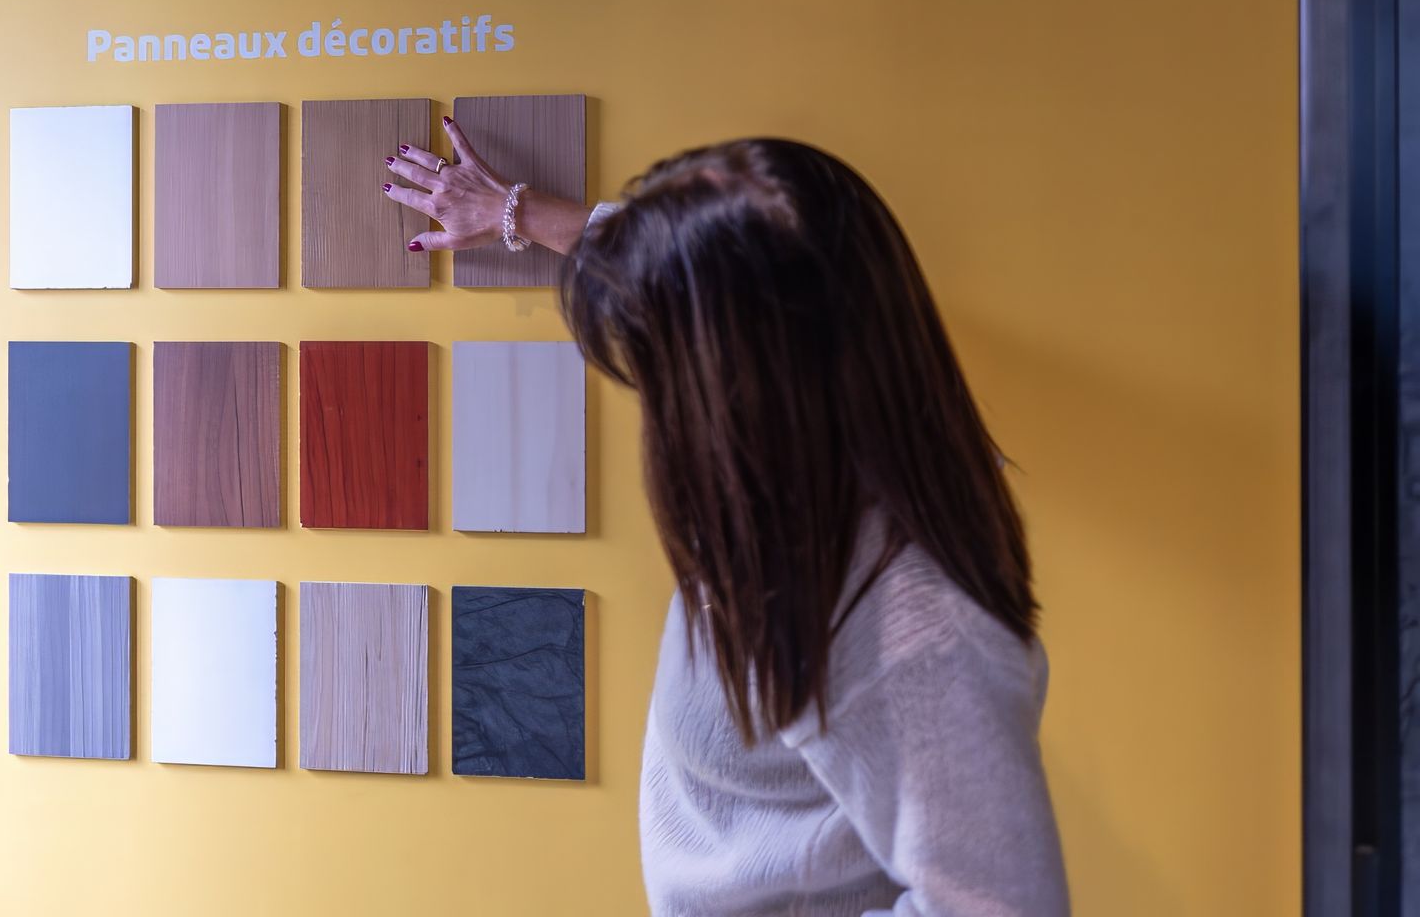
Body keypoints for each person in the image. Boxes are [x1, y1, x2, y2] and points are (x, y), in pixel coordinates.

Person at [385, 120, 1070, 916]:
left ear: (743, 380)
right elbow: (752, 265)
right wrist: (518, 212)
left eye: (663, 365)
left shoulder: (907, 621)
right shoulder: (819, 473)